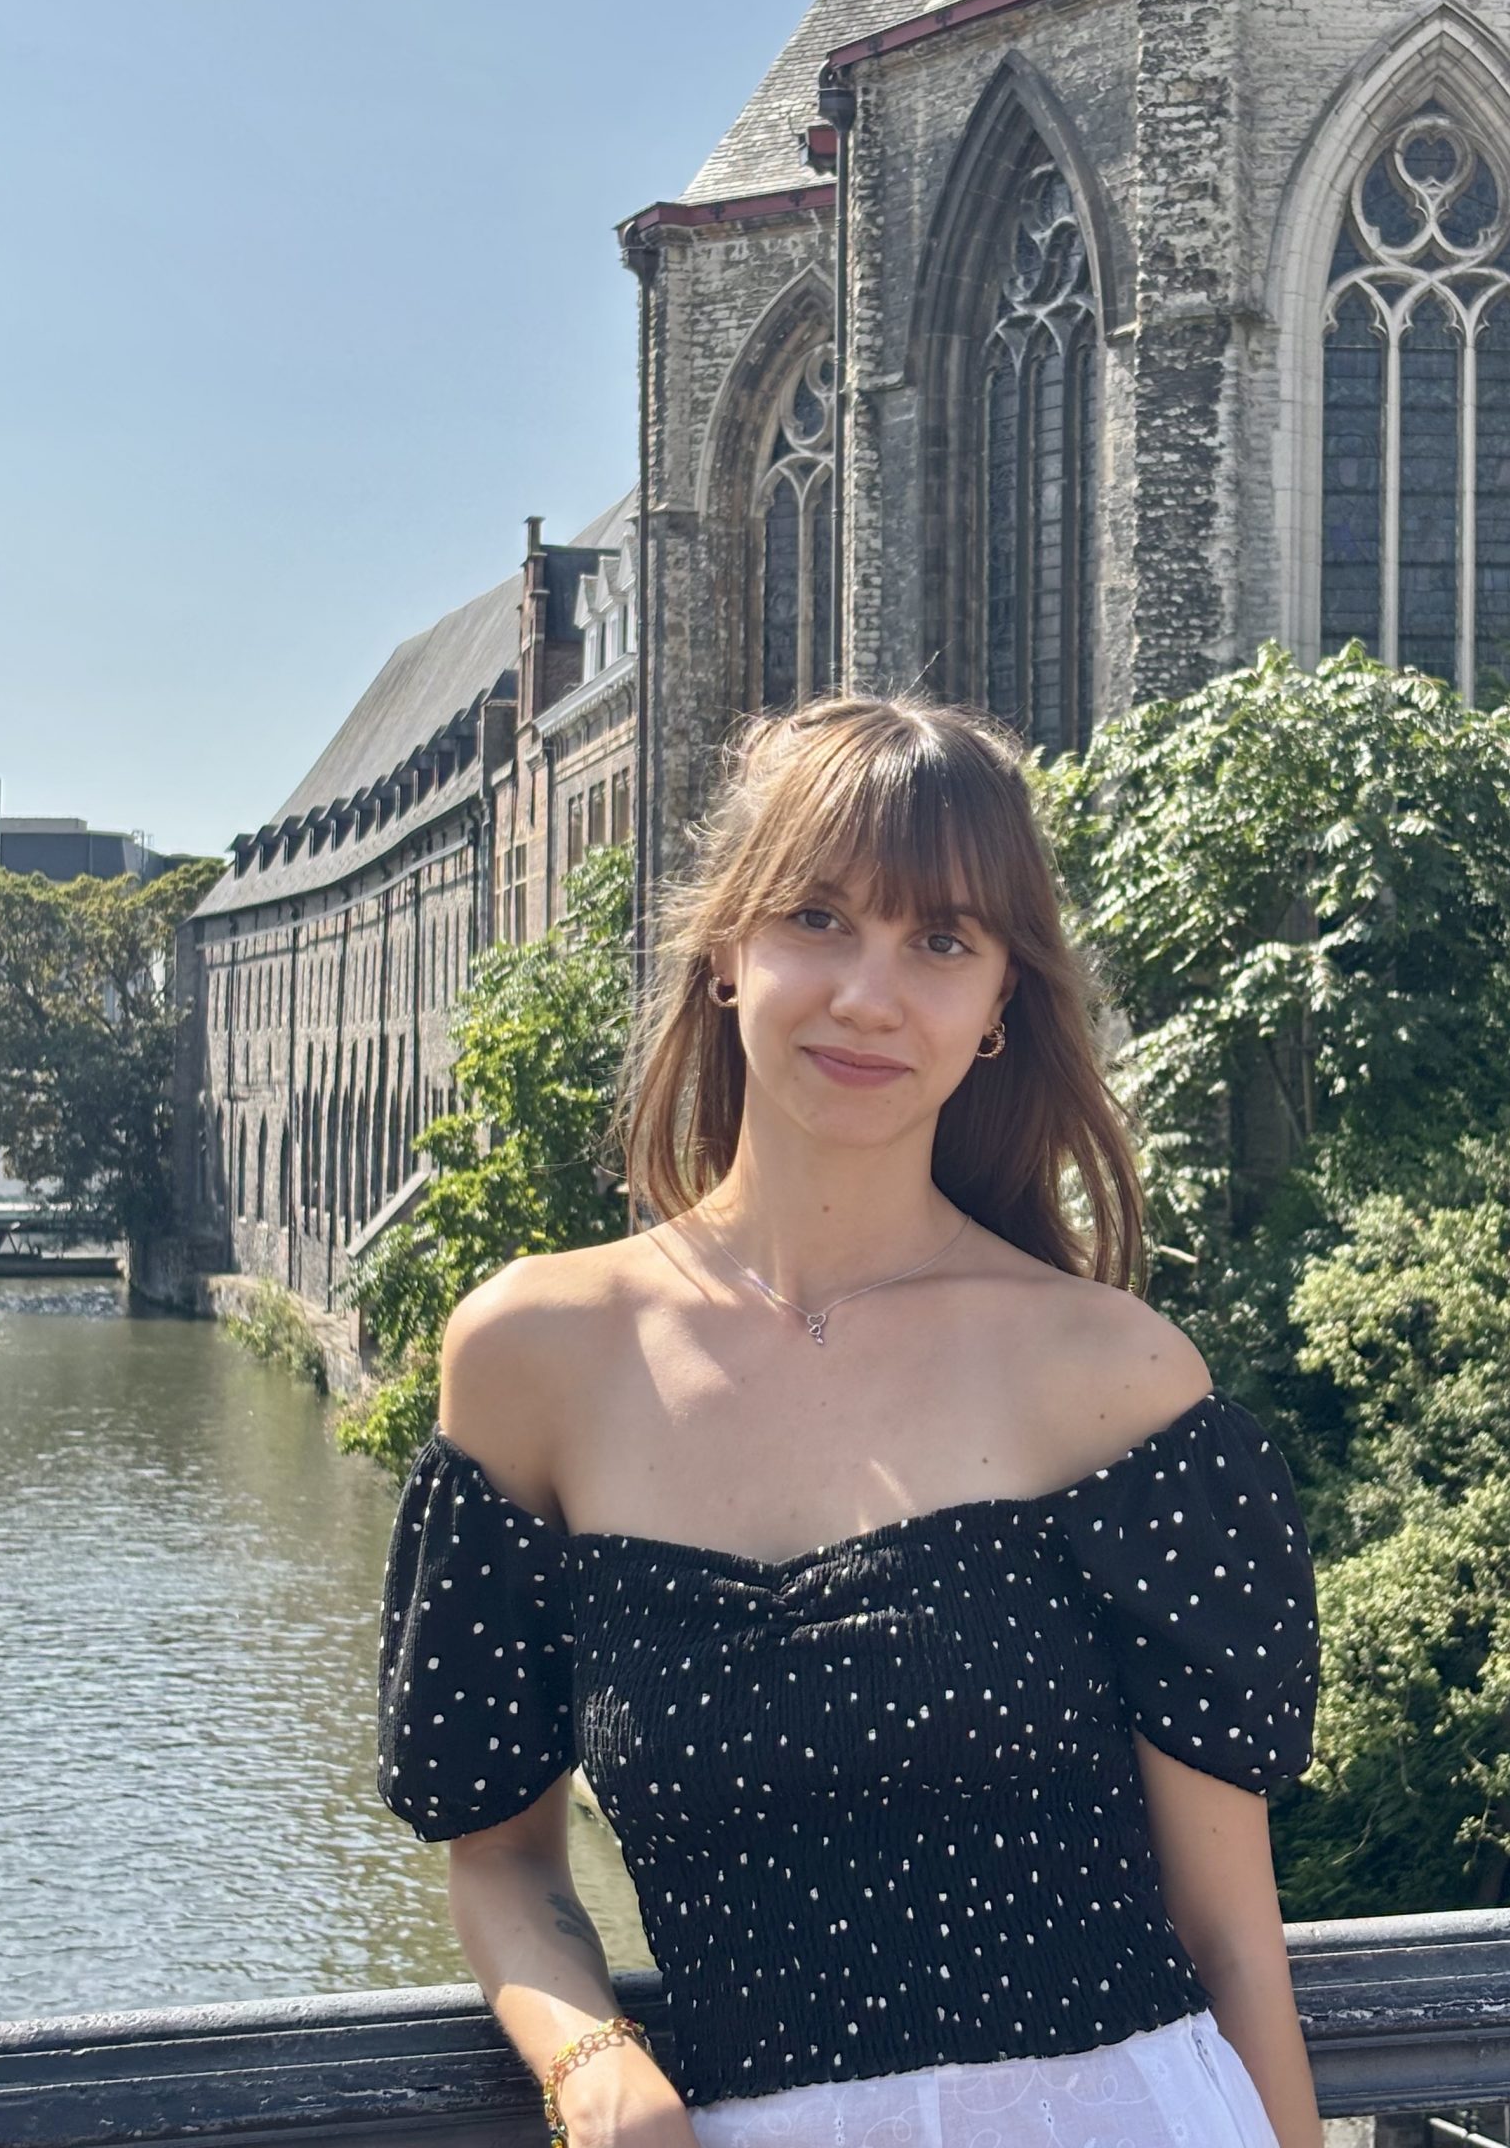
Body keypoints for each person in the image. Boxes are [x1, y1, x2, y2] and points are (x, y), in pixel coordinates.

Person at [377, 695, 1323, 2148]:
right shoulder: (533, 1356)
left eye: (942, 941)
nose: (871, 996)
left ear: (1001, 1004)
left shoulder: (1116, 1378)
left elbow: (1232, 1939)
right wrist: (596, 2068)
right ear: (723, 949)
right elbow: (500, 1858)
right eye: (819, 919)